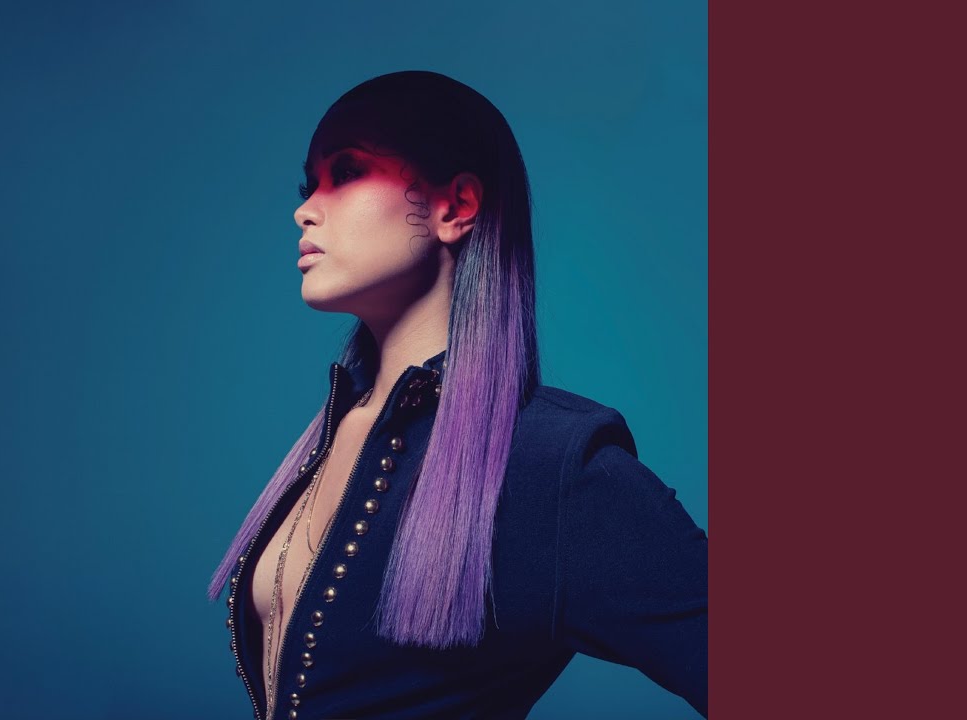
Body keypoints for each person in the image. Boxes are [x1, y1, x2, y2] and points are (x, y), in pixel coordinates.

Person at [206, 70, 707, 720]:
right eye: (310, 185)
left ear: (455, 207)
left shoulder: (551, 463)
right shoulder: (340, 427)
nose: (305, 210)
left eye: (347, 172)